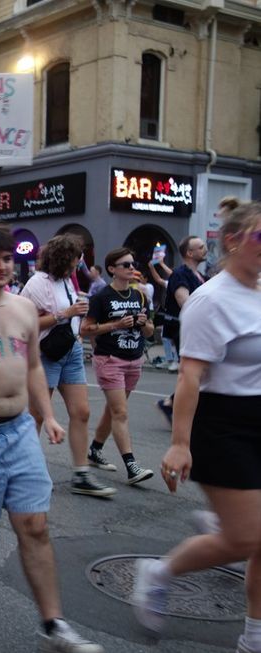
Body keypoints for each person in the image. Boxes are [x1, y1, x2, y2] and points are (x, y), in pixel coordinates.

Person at [0, 157, 103, 653]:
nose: (3, 265)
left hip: (17, 433)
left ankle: (54, 624)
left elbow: (31, 365)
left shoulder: (26, 308)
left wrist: (46, 414)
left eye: (7, 258)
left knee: (34, 523)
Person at [132, 203, 261, 653]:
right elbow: (189, 378)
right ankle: (158, 572)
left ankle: (254, 638)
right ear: (233, 241)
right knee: (247, 538)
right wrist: (179, 445)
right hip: (224, 425)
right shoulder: (211, 300)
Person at [21, 234, 113, 497]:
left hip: (70, 349)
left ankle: (81, 473)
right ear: (64, 257)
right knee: (36, 415)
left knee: (81, 412)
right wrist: (65, 314)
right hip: (47, 351)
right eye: (76, 256)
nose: (80, 261)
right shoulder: (37, 283)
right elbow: (26, 324)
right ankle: (26, 470)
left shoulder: (67, 280)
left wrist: (77, 310)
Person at [79, 248, 155, 486]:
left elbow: (151, 330)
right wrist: (115, 324)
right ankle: (132, 466)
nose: (131, 268)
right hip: (110, 359)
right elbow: (85, 329)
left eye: (133, 264)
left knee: (113, 410)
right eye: (125, 265)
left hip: (134, 359)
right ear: (112, 269)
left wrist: (143, 325)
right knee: (120, 412)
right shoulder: (101, 297)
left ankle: (95, 449)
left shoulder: (140, 296)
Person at [157, 235, 208, 422]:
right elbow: (185, 302)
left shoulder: (201, 276)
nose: (205, 249)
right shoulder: (180, 274)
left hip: (198, 329)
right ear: (190, 253)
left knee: (200, 372)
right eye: (201, 247)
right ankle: (174, 406)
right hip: (183, 328)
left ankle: (172, 403)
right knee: (193, 372)